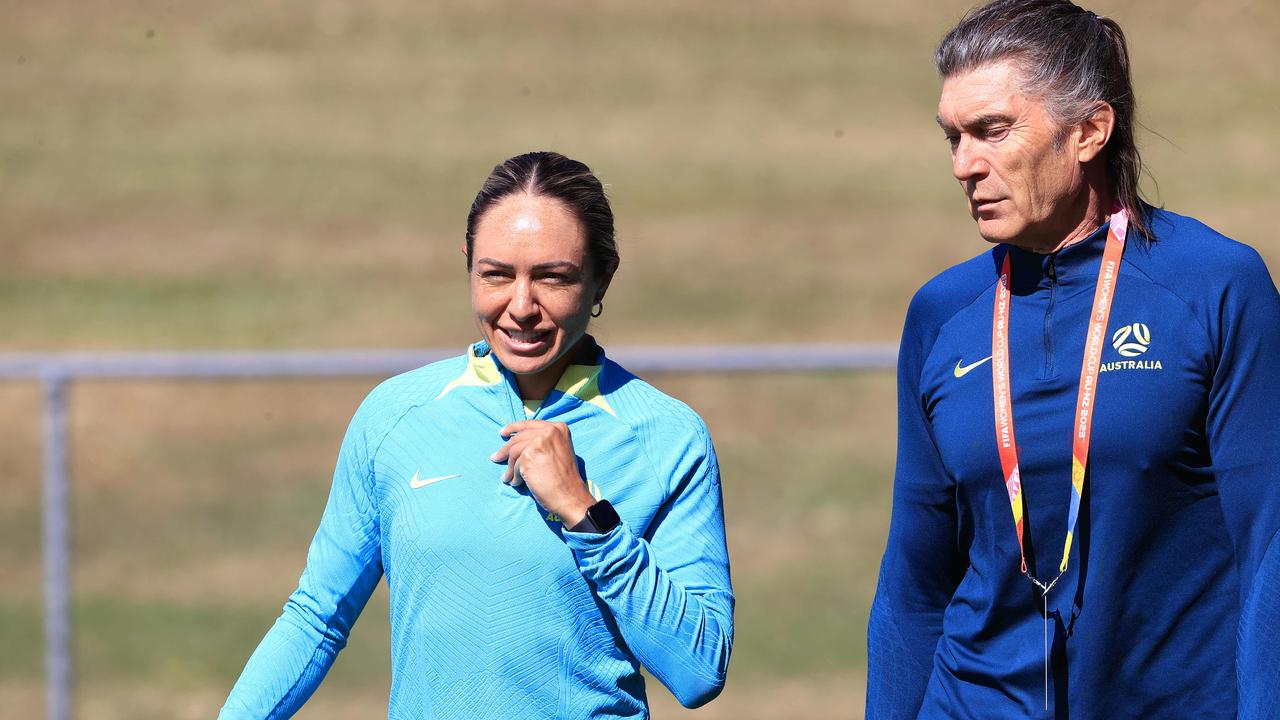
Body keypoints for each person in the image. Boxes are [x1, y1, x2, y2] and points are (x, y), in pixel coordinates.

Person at [867, 1, 1280, 718]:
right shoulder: (943, 314)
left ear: (1090, 130)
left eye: (992, 131)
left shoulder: (1215, 285)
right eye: (953, 137)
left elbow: (1269, 547)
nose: (965, 164)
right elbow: (913, 583)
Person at [218, 151, 733, 719]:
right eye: (497, 274)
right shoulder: (395, 415)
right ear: (468, 265)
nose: (521, 307)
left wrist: (586, 514)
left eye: (552, 277)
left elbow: (698, 669)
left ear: (601, 277)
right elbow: (316, 618)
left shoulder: (667, 437)